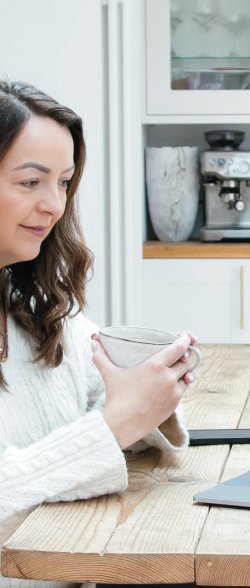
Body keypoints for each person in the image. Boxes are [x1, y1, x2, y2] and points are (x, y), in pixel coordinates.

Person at [0, 80, 199, 588]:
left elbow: (101, 396)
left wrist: (151, 387)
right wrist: (119, 421)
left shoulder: (36, 306)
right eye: (30, 183)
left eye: (64, 182)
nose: (54, 205)